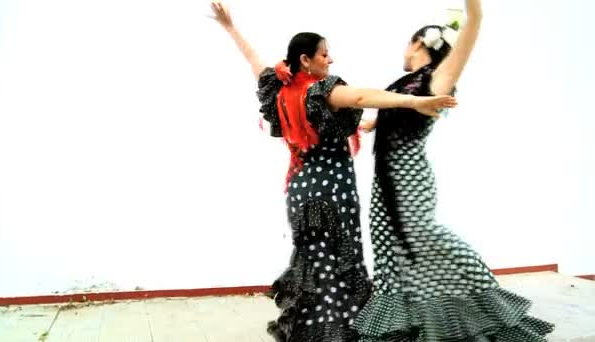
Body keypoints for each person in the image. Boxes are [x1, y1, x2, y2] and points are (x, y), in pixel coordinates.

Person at [208, 2, 457, 341]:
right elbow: (363, 97)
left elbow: (252, 58)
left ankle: (311, 332)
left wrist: (230, 28)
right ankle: (337, 333)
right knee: (339, 263)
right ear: (306, 60)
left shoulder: (277, 87)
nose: (331, 59)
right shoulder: (322, 91)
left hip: (299, 188)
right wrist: (415, 102)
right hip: (332, 191)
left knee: (313, 263)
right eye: (324, 54)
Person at [353, 0, 555, 341]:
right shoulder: (405, 82)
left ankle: (488, 308)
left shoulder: (438, 76)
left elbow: (473, 23)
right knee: (388, 251)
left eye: (407, 43)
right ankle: (403, 328)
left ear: (418, 43)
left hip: (408, 177)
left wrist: (472, 9)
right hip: (383, 180)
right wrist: (373, 123)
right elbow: (403, 115)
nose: (404, 50)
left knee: (428, 237)